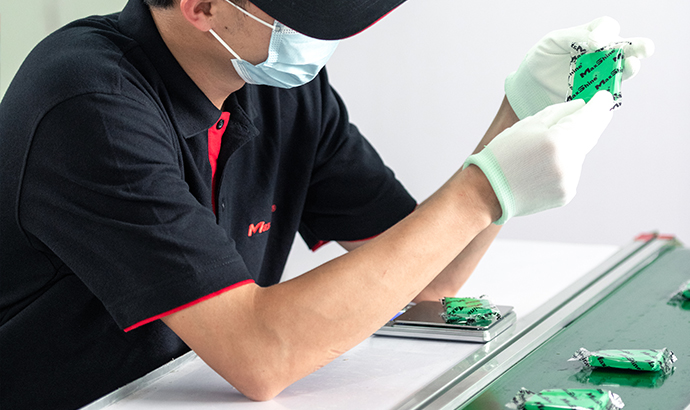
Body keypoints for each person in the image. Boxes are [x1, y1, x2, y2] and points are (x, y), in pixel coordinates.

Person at [0, 0, 653, 408]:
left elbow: (426, 279)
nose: (330, 36)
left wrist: (517, 116)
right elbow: (259, 357)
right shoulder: (89, 101)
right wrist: (483, 191)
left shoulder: (278, 88)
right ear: (203, 6)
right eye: (306, 15)